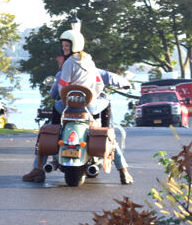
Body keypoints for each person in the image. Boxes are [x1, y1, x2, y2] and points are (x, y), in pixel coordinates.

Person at [22, 27, 133, 184]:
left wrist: (62, 95)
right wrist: (95, 94)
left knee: (50, 128)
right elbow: (101, 83)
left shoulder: (68, 64)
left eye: (67, 46)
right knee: (108, 133)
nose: (64, 48)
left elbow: (60, 88)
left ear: (75, 45)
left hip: (69, 107)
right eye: (64, 46)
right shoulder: (90, 63)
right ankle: (123, 171)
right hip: (90, 108)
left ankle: (38, 169)